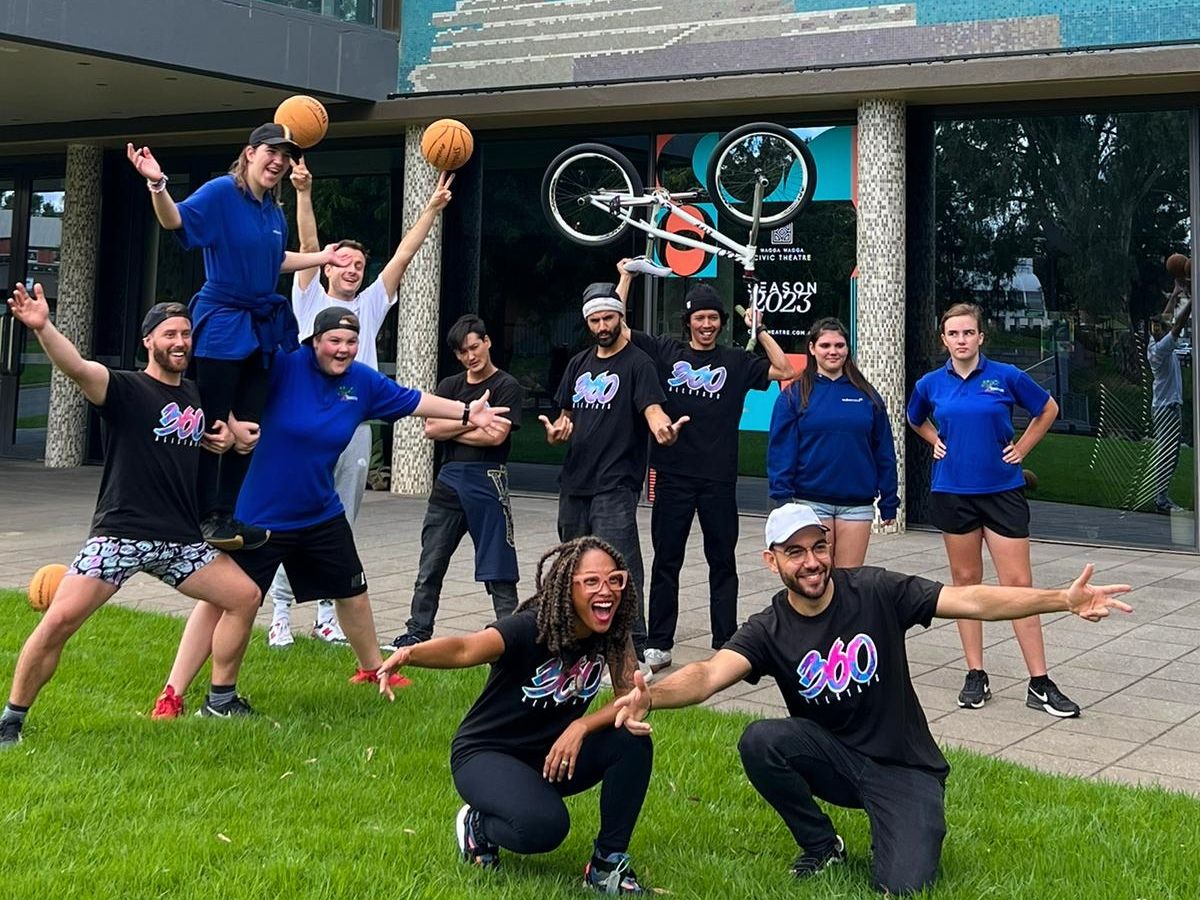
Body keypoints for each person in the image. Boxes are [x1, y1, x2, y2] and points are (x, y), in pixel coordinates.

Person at [613, 503, 1133, 896]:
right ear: (772, 562)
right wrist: (651, 698)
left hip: (904, 766)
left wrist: (1061, 599)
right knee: (762, 740)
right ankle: (822, 846)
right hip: (834, 761)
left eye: (819, 546)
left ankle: (905, 823)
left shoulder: (876, 590)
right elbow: (706, 675)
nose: (812, 561)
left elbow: (970, 598)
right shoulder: (769, 628)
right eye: (795, 552)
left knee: (903, 886)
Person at [149, 307, 512, 714]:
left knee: (352, 590)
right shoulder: (285, 366)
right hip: (258, 517)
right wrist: (226, 424)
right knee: (222, 602)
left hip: (319, 512)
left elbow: (413, 401)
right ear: (315, 341)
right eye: (334, 341)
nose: (342, 350)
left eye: (351, 342)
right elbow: (225, 382)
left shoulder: (363, 383)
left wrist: (467, 412)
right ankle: (173, 694)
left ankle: (374, 669)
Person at [0, 286, 263, 747]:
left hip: (180, 541)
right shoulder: (123, 388)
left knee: (244, 596)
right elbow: (77, 367)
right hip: (121, 535)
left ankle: (220, 701)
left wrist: (226, 437)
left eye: (185, 334)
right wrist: (43, 327)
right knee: (59, 622)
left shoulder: (195, 394)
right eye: (169, 334)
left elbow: (204, 431)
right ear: (149, 341)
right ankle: (11, 720)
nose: (180, 342)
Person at [376, 537, 653, 894]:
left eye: (615, 580)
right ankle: (478, 824)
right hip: (487, 754)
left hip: (551, 755)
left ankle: (606, 866)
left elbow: (630, 698)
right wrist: (410, 653)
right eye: (592, 582)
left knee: (631, 738)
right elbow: (465, 649)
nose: (607, 591)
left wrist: (581, 725)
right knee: (544, 828)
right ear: (567, 585)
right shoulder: (529, 628)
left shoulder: (613, 633)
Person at [127, 125, 358, 550]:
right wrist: (157, 183)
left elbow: (275, 259)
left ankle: (227, 516)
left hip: (261, 325)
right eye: (272, 151)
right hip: (222, 320)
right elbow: (174, 219)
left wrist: (323, 256)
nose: (278, 161)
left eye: (285, 155)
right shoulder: (220, 193)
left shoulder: (272, 211)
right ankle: (197, 517)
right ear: (250, 153)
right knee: (215, 426)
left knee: (248, 430)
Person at [267, 160, 454, 647]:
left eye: (358, 265)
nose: (352, 269)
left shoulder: (370, 304)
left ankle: (328, 611)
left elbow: (404, 254)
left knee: (340, 522)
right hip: (303, 424)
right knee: (289, 514)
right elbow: (307, 247)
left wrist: (431, 209)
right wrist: (304, 192)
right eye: (343, 262)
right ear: (327, 267)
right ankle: (281, 612)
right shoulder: (307, 300)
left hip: (353, 424)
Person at [616, 262, 795, 670]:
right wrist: (626, 279)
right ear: (689, 321)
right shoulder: (665, 352)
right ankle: (659, 644)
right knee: (667, 561)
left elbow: (785, 370)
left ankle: (726, 640)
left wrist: (759, 329)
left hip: (717, 478)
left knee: (722, 560)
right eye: (700, 318)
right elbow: (619, 328)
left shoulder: (735, 360)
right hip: (672, 474)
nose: (707, 324)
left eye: (714, 318)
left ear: (721, 322)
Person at [906, 303, 1076, 717]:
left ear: (981, 337)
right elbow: (915, 418)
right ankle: (975, 673)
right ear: (943, 339)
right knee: (966, 585)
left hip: (1002, 491)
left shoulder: (1006, 377)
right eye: (954, 334)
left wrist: (1023, 448)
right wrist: (933, 439)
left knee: (1019, 587)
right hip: (953, 492)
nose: (962, 340)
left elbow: (1048, 409)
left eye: (969, 333)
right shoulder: (930, 384)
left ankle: (1038, 681)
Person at [539, 282, 689, 666]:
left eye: (608, 318)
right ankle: (576, 639)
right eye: (595, 320)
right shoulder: (578, 363)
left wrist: (663, 430)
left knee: (619, 564)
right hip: (575, 480)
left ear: (620, 318)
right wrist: (557, 433)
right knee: (571, 563)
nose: (602, 325)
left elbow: (653, 411)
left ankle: (635, 648)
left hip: (616, 481)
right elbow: (566, 417)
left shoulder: (639, 364)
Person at [384, 314, 525, 649]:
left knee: (498, 562)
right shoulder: (450, 386)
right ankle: (418, 630)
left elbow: (496, 436)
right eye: (462, 352)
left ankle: (512, 632)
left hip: (488, 479)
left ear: (487, 342)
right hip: (448, 482)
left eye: (474, 347)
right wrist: (473, 420)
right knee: (431, 561)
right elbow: (430, 428)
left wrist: (455, 424)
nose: (470, 356)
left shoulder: (507, 386)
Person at [768, 317, 898, 567]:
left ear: (847, 349)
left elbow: (884, 452)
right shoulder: (794, 395)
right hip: (809, 503)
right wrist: (782, 501)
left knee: (850, 583)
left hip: (857, 506)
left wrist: (889, 500)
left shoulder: (867, 395)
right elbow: (780, 451)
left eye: (839, 345)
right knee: (815, 579)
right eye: (825, 345)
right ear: (812, 348)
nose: (833, 351)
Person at [1146, 282, 1192, 514]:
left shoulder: (1155, 343)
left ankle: (1160, 496)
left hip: (1166, 407)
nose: (1156, 328)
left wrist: (1175, 294)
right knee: (1169, 454)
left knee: (1170, 453)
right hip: (1167, 408)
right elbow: (1177, 324)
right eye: (1154, 327)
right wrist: (1190, 302)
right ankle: (1160, 498)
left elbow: (1167, 319)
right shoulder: (1160, 348)